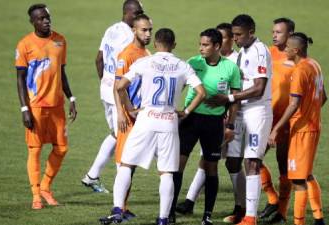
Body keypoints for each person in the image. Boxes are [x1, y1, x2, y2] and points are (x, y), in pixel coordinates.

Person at [99, 27, 206, 225]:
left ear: (156, 44)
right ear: (174, 45)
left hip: (146, 119)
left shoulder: (144, 62)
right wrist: (186, 111)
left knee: (126, 164)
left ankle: (116, 210)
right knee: (166, 172)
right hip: (169, 121)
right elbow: (201, 92)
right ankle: (163, 219)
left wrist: (130, 108)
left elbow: (120, 86)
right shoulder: (182, 66)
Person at [205, 14, 273, 225]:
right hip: (239, 111)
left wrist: (230, 98)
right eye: (233, 35)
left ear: (251, 32)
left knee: (252, 161)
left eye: (239, 35)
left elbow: (259, 89)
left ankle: (251, 217)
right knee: (232, 161)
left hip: (256, 111)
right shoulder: (241, 52)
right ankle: (241, 209)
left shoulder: (260, 51)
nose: (235, 39)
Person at [175, 23, 246, 224]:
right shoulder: (193, 63)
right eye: (200, 44)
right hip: (190, 120)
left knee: (211, 168)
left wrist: (230, 125)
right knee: (178, 166)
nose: (201, 48)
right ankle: (170, 212)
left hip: (213, 123)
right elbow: (178, 88)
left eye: (205, 45)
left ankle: (207, 216)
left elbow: (234, 99)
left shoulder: (230, 68)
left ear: (217, 46)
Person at [15, 3, 77, 210]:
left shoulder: (60, 40)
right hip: (36, 106)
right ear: (32, 21)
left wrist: (72, 97)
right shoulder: (24, 45)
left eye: (47, 17)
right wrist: (25, 109)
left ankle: (46, 187)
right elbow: (20, 80)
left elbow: (62, 72)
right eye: (40, 18)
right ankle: (35, 195)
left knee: (62, 147)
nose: (45, 21)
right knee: (35, 149)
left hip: (57, 105)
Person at [81, 0, 143, 194]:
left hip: (106, 90)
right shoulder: (129, 37)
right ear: (129, 13)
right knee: (124, 138)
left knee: (117, 134)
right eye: (139, 12)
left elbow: (98, 59)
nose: (142, 16)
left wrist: (104, 82)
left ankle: (92, 176)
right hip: (118, 93)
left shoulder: (111, 29)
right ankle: (121, 196)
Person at [268, 32, 327, 225]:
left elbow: (293, 104)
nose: (284, 50)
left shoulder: (300, 70)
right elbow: (323, 97)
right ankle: (318, 218)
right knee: (306, 174)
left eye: (287, 48)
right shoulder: (315, 65)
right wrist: (311, 112)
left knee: (298, 180)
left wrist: (276, 128)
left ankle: (299, 222)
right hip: (313, 126)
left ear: (296, 50)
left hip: (302, 130)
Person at [257, 18, 296, 223]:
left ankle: (281, 212)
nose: (274, 35)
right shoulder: (267, 53)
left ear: (290, 34)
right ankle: (272, 198)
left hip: (286, 121)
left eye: (279, 32)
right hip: (267, 117)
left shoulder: (297, 59)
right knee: (253, 158)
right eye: (273, 31)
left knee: (283, 165)